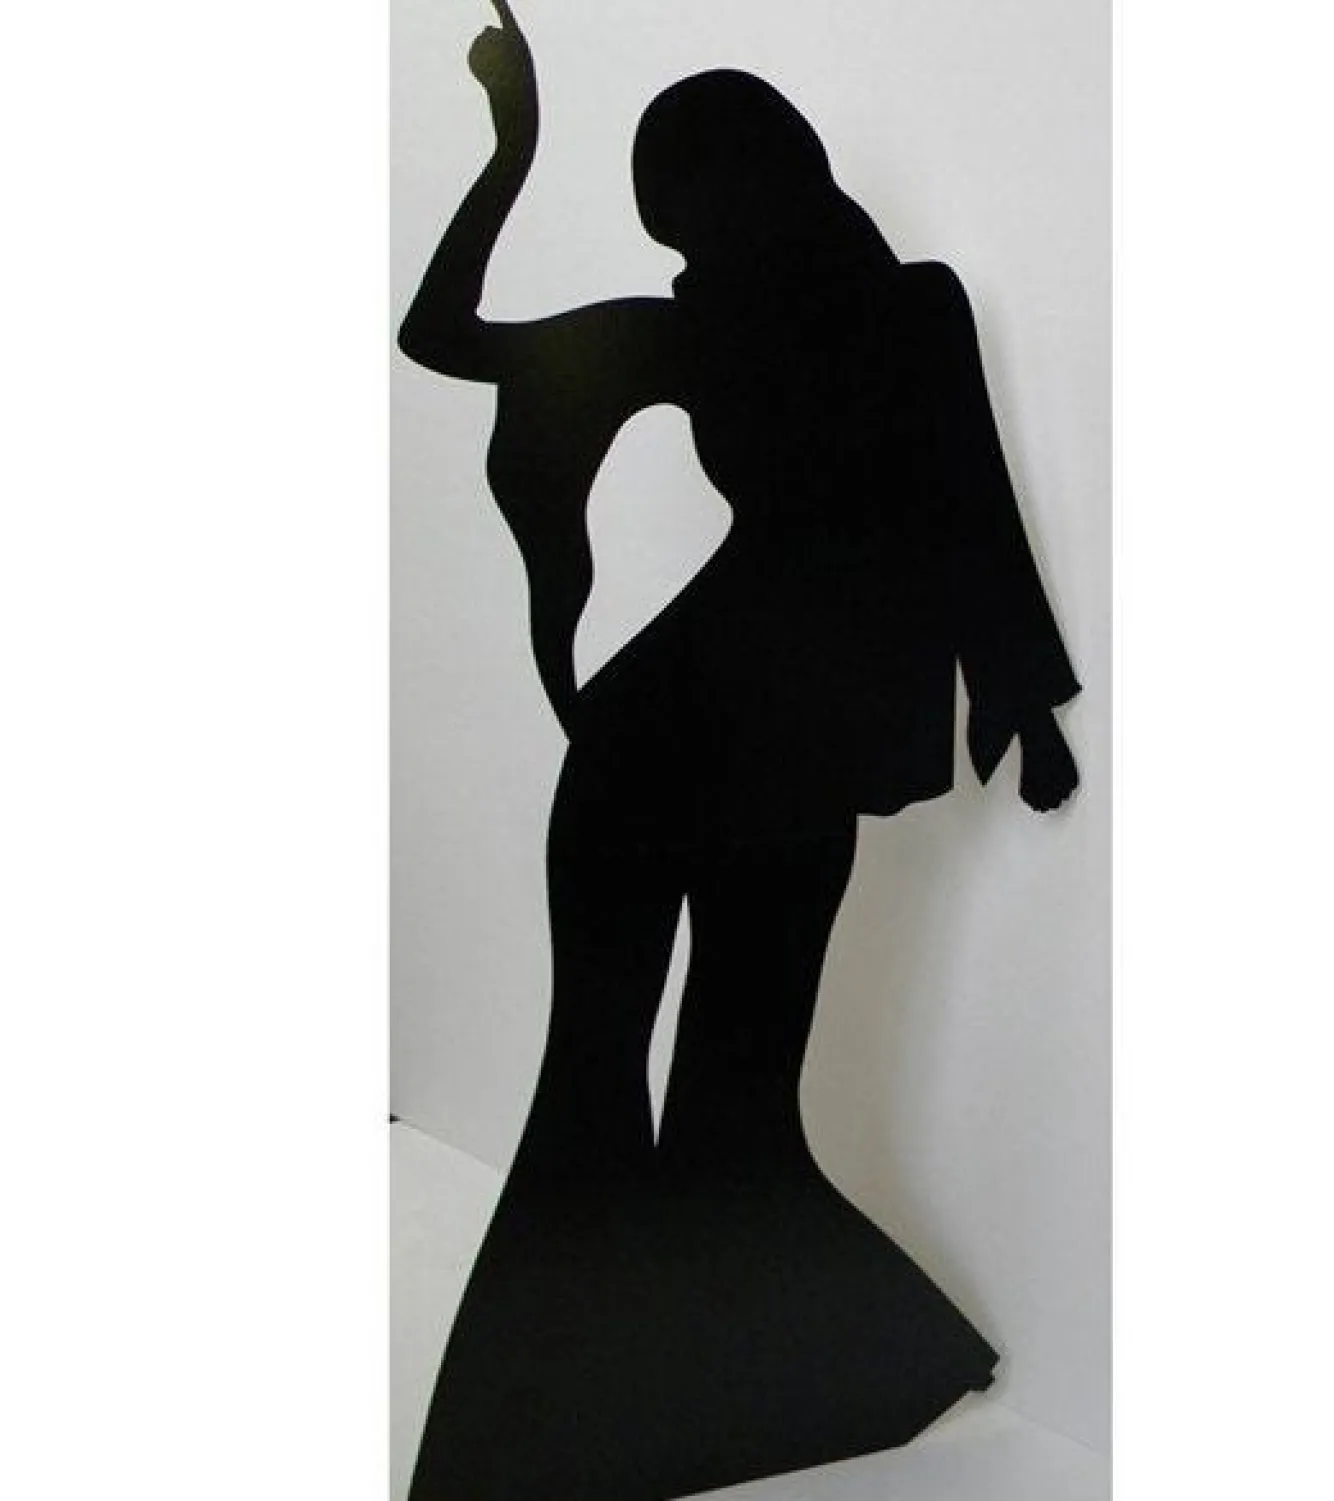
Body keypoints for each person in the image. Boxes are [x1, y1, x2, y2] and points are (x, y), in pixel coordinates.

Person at [399, 6, 1081, 1498]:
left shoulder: (908, 310)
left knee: (734, 1108)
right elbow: (439, 338)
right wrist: (512, 150)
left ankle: (702, 1385)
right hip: (658, 752)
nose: (681, 242)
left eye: (683, 206)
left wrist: (1021, 696)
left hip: (782, 758)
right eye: (668, 221)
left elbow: (966, 499)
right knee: (597, 1083)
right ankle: (533, 1436)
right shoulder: (701, 324)